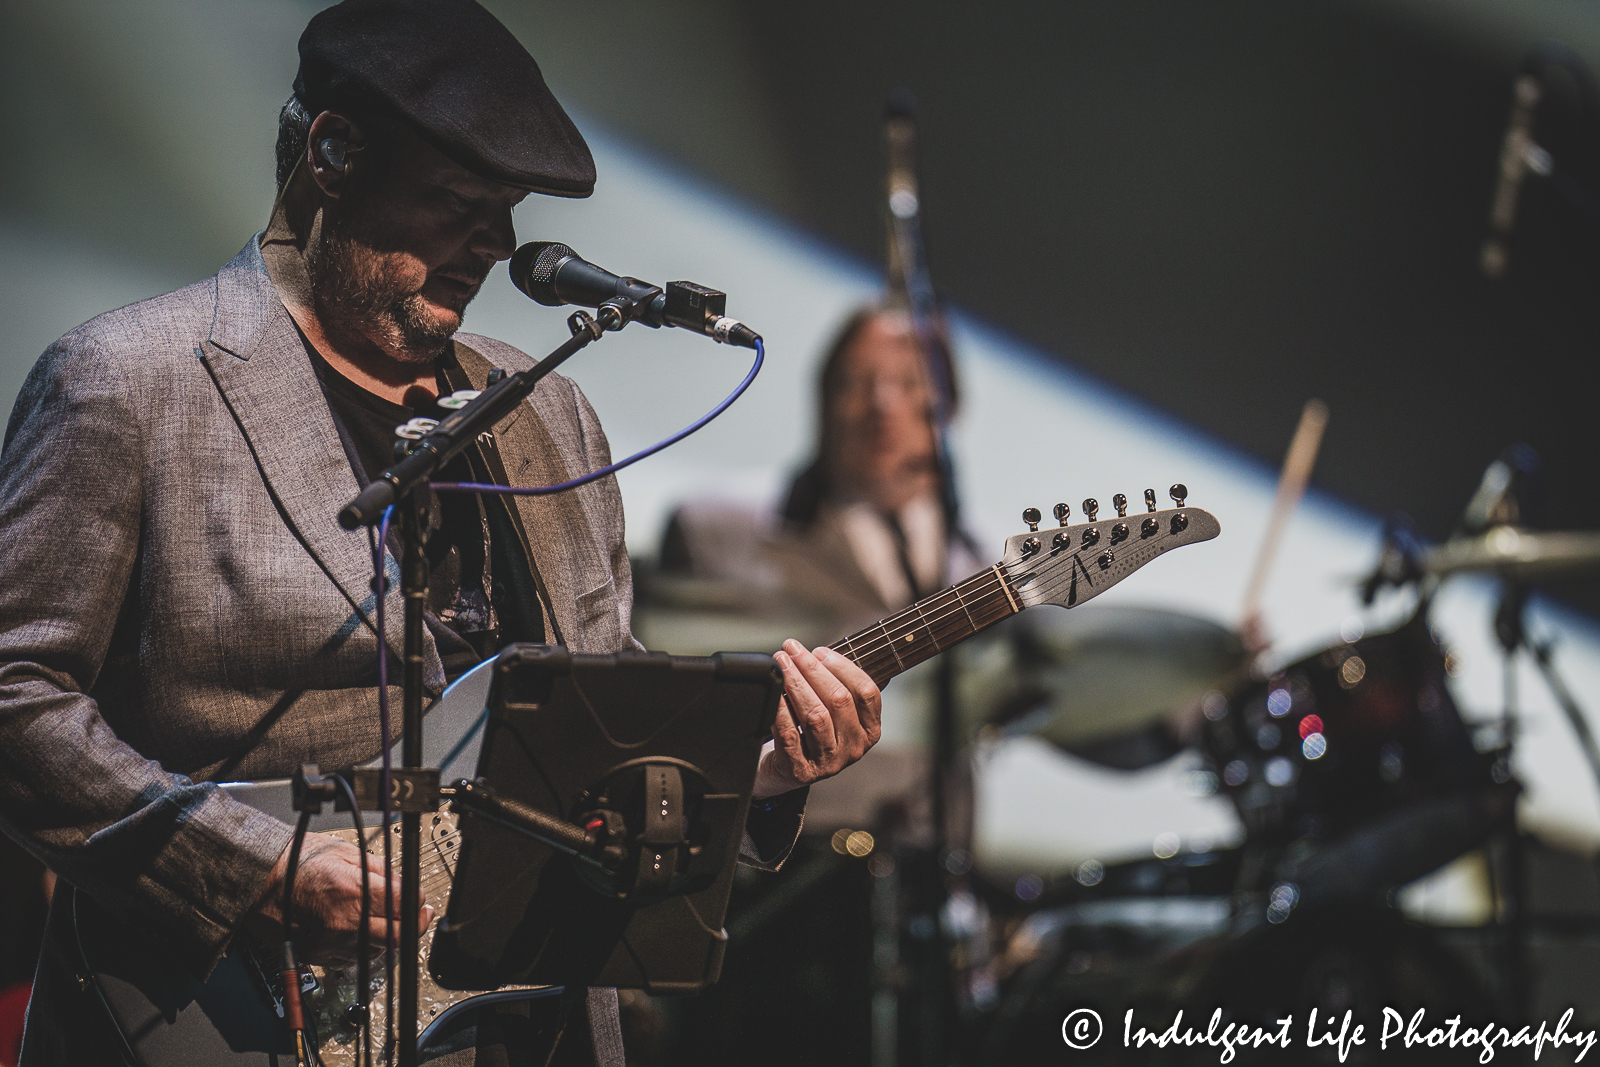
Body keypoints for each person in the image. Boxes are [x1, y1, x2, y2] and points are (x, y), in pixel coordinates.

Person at [0, 2, 880, 1064]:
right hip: (225, 1012)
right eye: (459, 203)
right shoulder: (130, 380)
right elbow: (16, 689)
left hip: (524, 1011)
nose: (498, 247)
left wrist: (767, 762)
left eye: (504, 210)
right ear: (331, 156)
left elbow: (598, 699)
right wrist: (259, 867)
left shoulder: (545, 410)